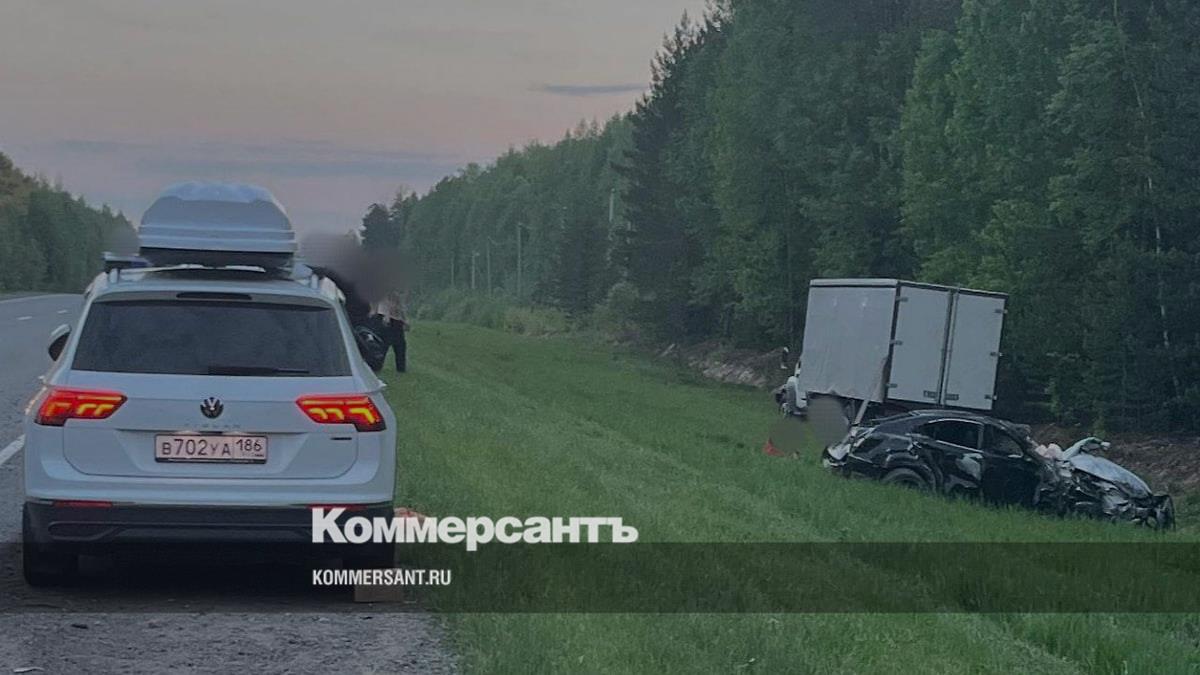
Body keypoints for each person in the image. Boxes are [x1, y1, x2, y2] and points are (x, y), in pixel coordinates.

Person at [376, 290, 410, 372]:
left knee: (400, 345)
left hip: (396, 318)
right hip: (386, 316)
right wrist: (387, 315)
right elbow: (387, 298)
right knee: (384, 344)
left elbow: (401, 303)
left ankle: (401, 369)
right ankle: (377, 366)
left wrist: (405, 319)